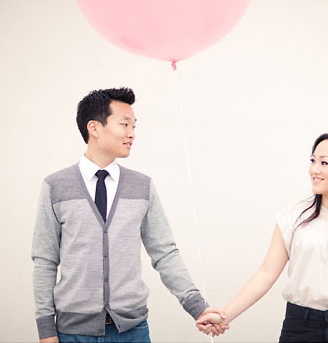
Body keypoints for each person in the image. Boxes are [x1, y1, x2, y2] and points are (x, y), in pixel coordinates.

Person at [31, 88, 218, 342]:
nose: (132, 133)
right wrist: (46, 329)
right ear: (94, 128)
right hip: (72, 333)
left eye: (134, 126)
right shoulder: (56, 186)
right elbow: (45, 261)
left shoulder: (142, 186)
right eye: (125, 124)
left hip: (132, 331)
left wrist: (198, 306)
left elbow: (165, 253)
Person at [195, 132, 328, 342]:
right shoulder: (293, 219)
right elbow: (265, 274)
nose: (314, 169)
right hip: (300, 327)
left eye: (324, 162)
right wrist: (225, 315)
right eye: (313, 160)